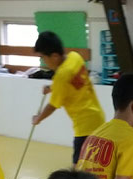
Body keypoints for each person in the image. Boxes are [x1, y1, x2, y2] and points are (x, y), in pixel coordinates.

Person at [31, 31, 106, 165]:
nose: (44, 62)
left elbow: (53, 105)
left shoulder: (61, 76)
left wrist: (38, 118)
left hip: (84, 127)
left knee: (78, 169)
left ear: (54, 56)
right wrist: (52, 88)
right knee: (93, 167)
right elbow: (72, 83)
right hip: (98, 119)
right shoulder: (75, 57)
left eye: (43, 57)